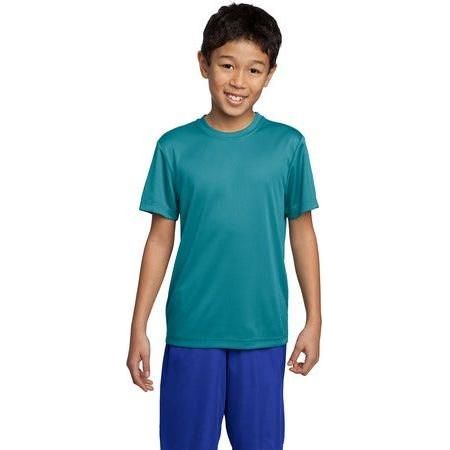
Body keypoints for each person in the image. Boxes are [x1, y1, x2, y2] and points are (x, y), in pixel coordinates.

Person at [127, 3, 322, 449]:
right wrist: (139, 326)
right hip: (192, 329)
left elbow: (303, 233)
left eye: (254, 69)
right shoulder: (174, 147)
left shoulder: (288, 146)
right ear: (204, 64)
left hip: (261, 329)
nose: (238, 81)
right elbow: (159, 240)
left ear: (270, 74)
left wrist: (314, 319)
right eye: (227, 65)